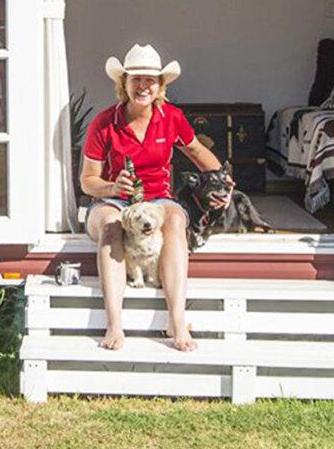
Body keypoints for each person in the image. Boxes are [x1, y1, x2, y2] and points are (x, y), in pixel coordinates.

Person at [80, 44, 231, 352]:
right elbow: (87, 181)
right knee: (111, 226)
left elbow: (197, 152)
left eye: (150, 79)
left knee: (174, 219)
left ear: (161, 86)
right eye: (135, 79)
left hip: (157, 198)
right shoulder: (104, 122)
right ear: (123, 83)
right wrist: (111, 187)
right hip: (113, 201)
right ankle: (114, 324)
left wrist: (224, 185)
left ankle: (176, 321)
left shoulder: (172, 117)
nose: (142, 86)